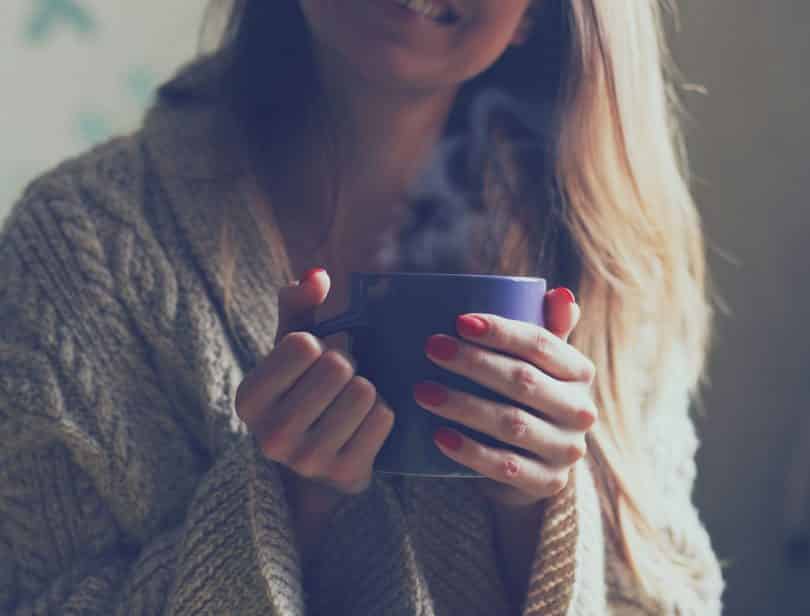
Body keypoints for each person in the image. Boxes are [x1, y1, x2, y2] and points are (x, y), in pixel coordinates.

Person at [0, 0, 724, 614]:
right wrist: (280, 505)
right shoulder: (72, 250)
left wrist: (534, 519)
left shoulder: (610, 262)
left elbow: (672, 594)